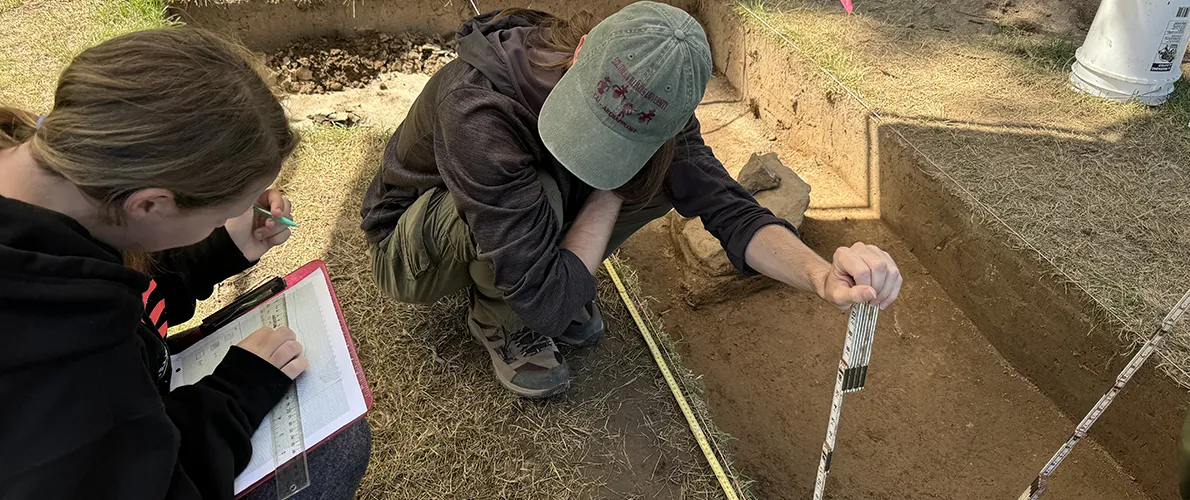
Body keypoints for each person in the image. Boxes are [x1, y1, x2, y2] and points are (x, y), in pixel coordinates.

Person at [361, 2, 903, 399]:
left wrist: (820, 277)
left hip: (516, 212)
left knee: (662, 174)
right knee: (560, 206)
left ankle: (556, 267)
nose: (600, 155)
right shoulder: (479, 110)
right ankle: (500, 316)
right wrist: (611, 188)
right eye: (591, 122)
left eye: (621, 138)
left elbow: (727, 207)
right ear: (580, 49)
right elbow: (550, 308)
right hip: (409, 250)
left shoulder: (661, 109)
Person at [0, 28, 370, 499]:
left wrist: (222, 247)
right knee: (338, 450)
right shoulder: (60, 360)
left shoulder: (54, 187)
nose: (229, 220)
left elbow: (130, 278)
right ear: (151, 205)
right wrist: (237, 392)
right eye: (221, 215)